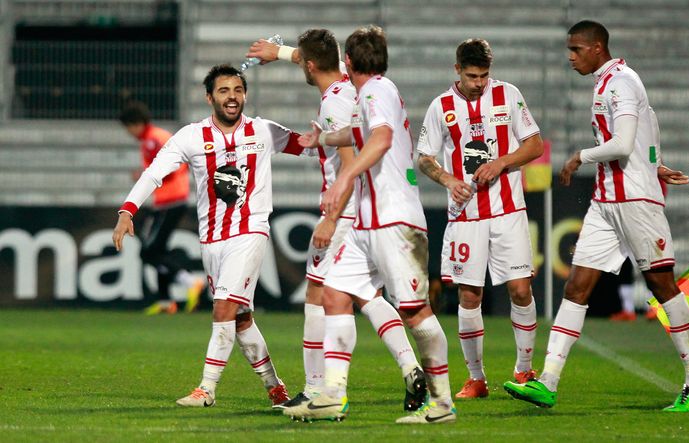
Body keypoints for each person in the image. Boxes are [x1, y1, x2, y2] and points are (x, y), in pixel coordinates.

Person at [503, 20, 689, 412]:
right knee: (577, 287)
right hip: (605, 203)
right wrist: (657, 162)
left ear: (597, 48)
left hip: (634, 200)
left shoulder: (622, 82)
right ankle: (547, 382)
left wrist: (582, 155)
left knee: (662, 287)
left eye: (576, 49)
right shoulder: (609, 82)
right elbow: (648, 123)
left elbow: (623, 142)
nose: (570, 57)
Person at [282, 25, 456, 424]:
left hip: (394, 219)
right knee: (336, 294)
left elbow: (380, 139)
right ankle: (331, 393)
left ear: (348, 61)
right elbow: (355, 131)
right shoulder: (364, 94)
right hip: (367, 223)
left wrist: (344, 176)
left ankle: (442, 403)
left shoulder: (377, 90)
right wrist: (321, 140)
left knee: (414, 313)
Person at [246, 28, 427, 411]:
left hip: (345, 209)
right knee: (366, 295)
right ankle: (411, 368)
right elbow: (315, 55)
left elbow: (348, 166)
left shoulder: (332, 106)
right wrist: (279, 52)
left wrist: (330, 219)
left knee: (317, 293)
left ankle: (316, 390)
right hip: (369, 209)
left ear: (311, 67)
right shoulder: (351, 85)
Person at [113, 65, 298, 409]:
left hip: (250, 230)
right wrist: (128, 210)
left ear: (245, 94)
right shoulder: (191, 136)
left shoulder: (263, 130)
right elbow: (154, 172)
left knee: (223, 307)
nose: (232, 97)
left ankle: (207, 388)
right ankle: (276, 388)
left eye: (238, 90)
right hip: (212, 239)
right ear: (209, 97)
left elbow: (310, 146)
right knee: (240, 318)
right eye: (224, 91)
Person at [416, 38, 542, 399]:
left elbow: (534, 145)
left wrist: (502, 162)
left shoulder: (508, 95)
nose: (479, 83)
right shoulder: (441, 107)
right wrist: (447, 179)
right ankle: (476, 379)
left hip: (508, 211)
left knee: (520, 289)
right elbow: (423, 157)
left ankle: (523, 371)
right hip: (466, 215)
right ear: (457, 70)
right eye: (472, 76)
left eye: (484, 75)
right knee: (470, 295)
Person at [119, 101, 205, 314]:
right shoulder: (155, 137)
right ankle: (166, 301)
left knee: (148, 252)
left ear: (135, 123)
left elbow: (174, 168)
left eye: (128, 127)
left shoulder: (153, 140)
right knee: (158, 250)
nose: (129, 132)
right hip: (168, 200)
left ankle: (190, 281)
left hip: (170, 201)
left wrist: (144, 176)